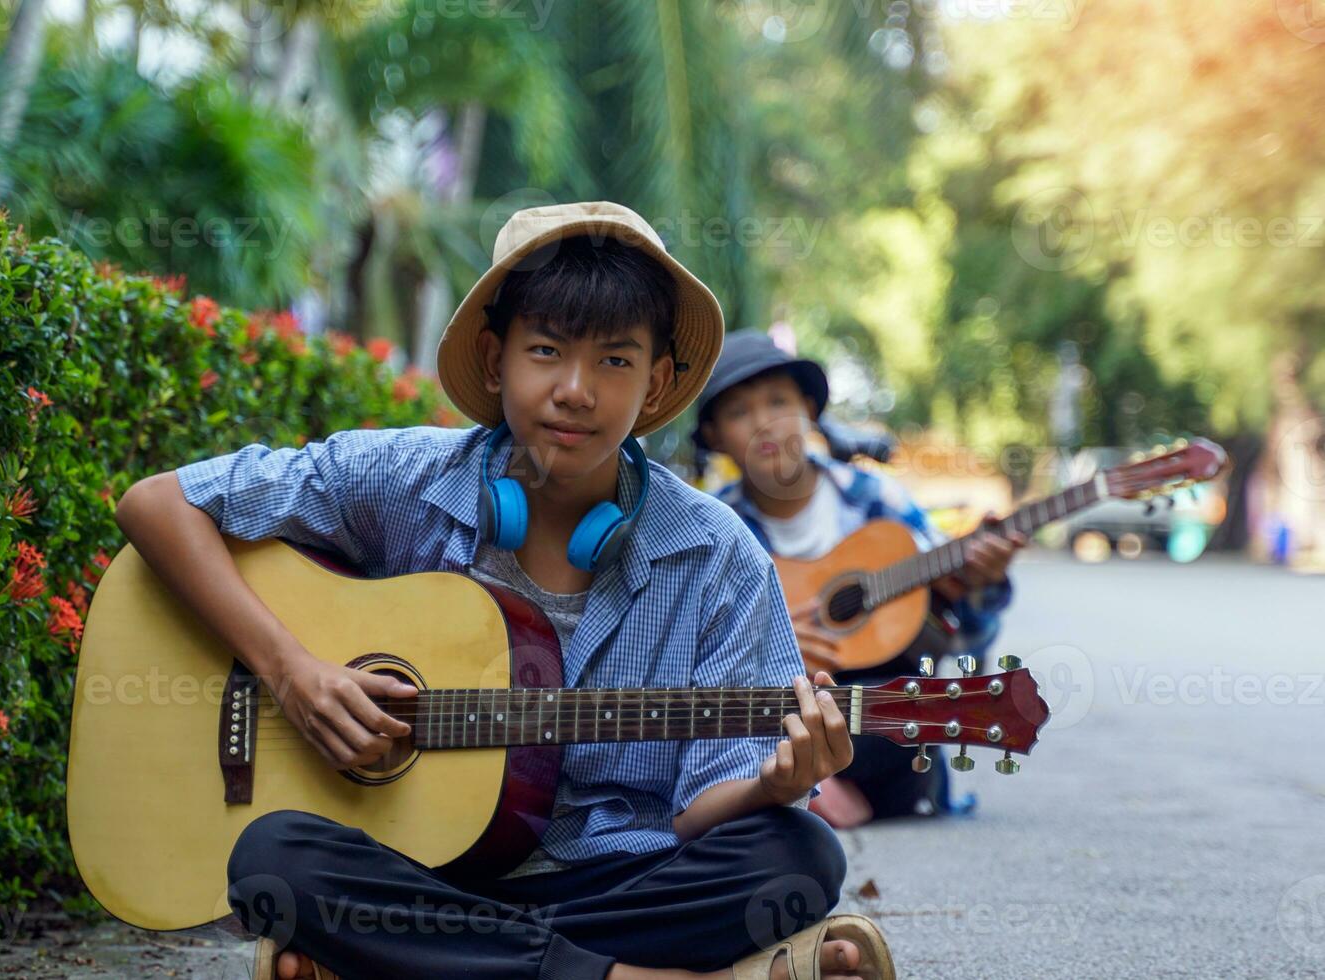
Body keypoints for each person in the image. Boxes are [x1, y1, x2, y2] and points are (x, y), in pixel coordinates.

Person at [115, 204, 897, 980]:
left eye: (615, 361)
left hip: (611, 879)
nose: (576, 390)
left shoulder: (719, 555)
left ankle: (412, 964)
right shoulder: (403, 479)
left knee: (796, 856)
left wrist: (778, 780)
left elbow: (697, 815)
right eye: (548, 350)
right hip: (419, 865)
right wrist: (290, 670)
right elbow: (157, 504)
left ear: (657, 380)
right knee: (271, 857)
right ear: (496, 360)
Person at [693, 330, 1026, 828]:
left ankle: (813, 787)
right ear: (715, 436)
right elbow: (685, 656)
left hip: (871, 728)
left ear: (808, 409)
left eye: (778, 402)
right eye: (739, 412)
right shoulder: (710, 526)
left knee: (916, 703)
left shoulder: (877, 499)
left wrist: (980, 583)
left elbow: (964, 645)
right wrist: (772, 653)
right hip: (767, 715)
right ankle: (812, 787)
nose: (764, 423)